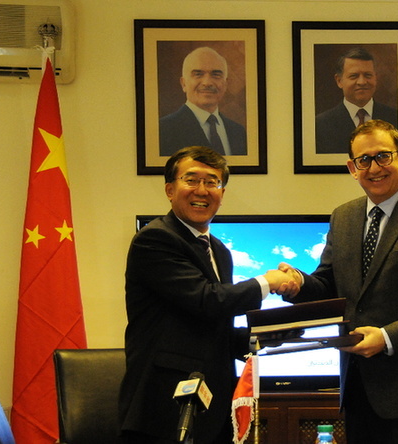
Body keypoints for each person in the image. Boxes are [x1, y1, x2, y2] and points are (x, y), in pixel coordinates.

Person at [280, 120, 398, 444]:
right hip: (358, 389)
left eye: (383, 156)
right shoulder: (343, 216)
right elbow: (329, 284)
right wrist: (298, 283)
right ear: (352, 168)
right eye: (364, 160)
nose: (374, 168)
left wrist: (386, 337)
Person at [118, 146, 296, 444]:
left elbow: (211, 329)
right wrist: (268, 283)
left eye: (212, 182)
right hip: (164, 409)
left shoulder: (219, 251)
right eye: (191, 180)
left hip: (212, 406)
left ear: (222, 193)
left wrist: (266, 335)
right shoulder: (155, 238)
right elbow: (206, 300)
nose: (202, 190)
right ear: (170, 189)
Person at [159, 47, 247, 157]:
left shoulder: (238, 132)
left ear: (225, 84)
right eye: (198, 74)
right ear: (184, 84)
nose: (207, 83)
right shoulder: (163, 130)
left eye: (216, 75)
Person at [315, 47, 398, 154]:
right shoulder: (320, 125)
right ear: (339, 81)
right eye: (354, 76)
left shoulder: (396, 118)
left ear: (375, 78)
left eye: (368, 75)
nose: (362, 82)